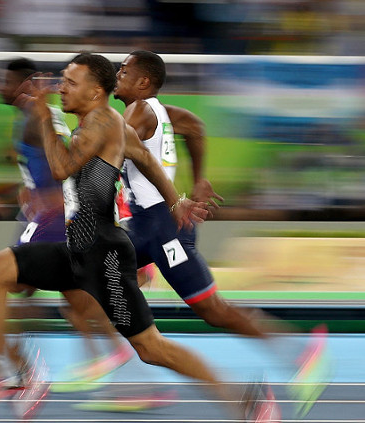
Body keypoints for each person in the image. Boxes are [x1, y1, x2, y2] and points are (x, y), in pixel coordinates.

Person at [0, 52, 280, 422]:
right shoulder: (109, 124)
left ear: (96, 91)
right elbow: (148, 162)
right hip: (76, 250)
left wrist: (44, 120)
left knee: (152, 349)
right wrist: (177, 200)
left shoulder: (102, 123)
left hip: (105, 258)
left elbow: (60, 167)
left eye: (71, 83)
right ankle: (12, 375)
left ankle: (248, 401)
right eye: (63, 81)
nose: (61, 89)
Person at [114, 50, 329, 417]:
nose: (117, 74)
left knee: (212, 310)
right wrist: (200, 181)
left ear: (143, 82)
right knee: (100, 277)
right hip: (145, 227)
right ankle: (138, 376)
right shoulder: (163, 113)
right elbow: (196, 127)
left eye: (124, 70)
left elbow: (113, 153)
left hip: (165, 230)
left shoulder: (137, 112)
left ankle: (301, 354)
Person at [0, 58, 133, 387]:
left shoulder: (36, 118)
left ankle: (15, 366)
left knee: (11, 281)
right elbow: (42, 167)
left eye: (6, 80)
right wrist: (21, 190)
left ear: (25, 84)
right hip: (47, 214)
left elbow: (66, 163)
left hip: (53, 217)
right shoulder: (29, 117)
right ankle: (107, 353)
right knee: (68, 295)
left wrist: (55, 199)